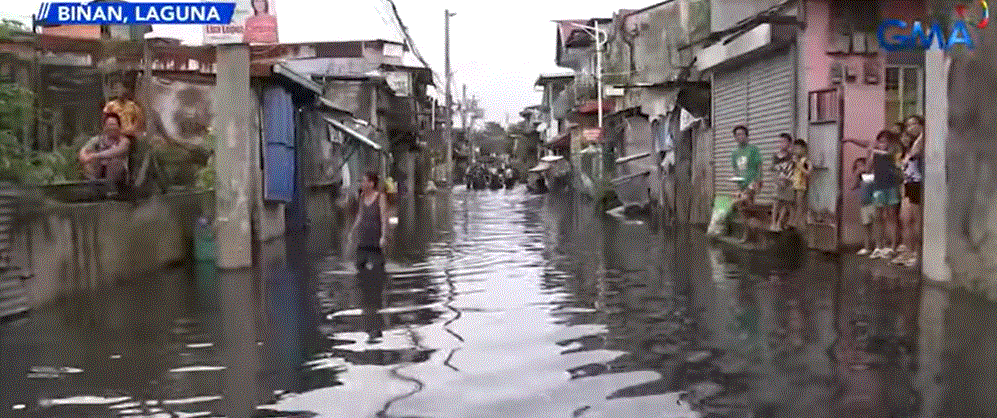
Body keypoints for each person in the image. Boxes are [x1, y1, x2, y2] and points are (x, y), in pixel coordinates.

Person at [350, 172, 389, 341]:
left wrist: (384, 236)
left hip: (375, 238)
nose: (362, 183)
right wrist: (352, 230)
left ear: (372, 183)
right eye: (362, 181)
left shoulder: (380, 197)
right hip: (363, 238)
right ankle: (365, 287)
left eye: (365, 181)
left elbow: (384, 217)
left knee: (379, 269)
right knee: (359, 267)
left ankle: (377, 291)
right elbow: (360, 215)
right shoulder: (361, 197)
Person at [867, 130, 903, 260]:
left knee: (891, 216)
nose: (882, 144)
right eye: (880, 141)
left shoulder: (895, 153)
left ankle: (893, 247)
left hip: (892, 187)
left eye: (885, 141)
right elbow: (868, 169)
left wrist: (878, 152)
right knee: (878, 216)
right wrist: (871, 154)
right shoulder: (875, 154)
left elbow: (898, 164)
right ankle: (878, 246)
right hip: (879, 187)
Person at [894, 115, 924, 267]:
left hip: (917, 184)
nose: (910, 128)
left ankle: (917, 253)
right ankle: (908, 250)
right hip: (908, 185)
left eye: (913, 124)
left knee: (916, 220)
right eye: (907, 126)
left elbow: (917, 150)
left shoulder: (920, 142)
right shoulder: (905, 150)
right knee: (904, 219)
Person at [79, 113, 131, 196]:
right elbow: (84, 150)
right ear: (104, 127)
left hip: (118, 180)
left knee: (114, 162)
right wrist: (85, 158)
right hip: (99, 174)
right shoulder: (98, 139)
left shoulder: (124, 141)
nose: (111, 127)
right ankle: (93, 191)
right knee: (89, 164)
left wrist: (95, 155)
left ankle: (112, 193)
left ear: (119, 126)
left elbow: (116, 151)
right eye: (109, 125)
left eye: (113, 124)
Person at [730, 125, 762, 242]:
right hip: (741, 184)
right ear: (735, 137)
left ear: (747, 136)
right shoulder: (734, 153)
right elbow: (735, 170)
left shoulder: (753, 149)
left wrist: (758, 181)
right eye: (737, 135)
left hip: (751, 183)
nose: (740, 136)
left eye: (742, 134)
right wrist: (736, 185)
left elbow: (759, 166)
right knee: (744, 210)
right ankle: (750, 233)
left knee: (745, 203)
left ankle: (750, 234)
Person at [771, 133, 795, 231]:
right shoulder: (775, 156)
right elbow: (773, 170)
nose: (782, 144)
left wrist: (788, 179)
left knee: (785, 203)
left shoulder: (792, 156)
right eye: (780, 142)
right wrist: (777, 180)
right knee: (776, 203)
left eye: (784, 142)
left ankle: (779, 222)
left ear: (789, 144)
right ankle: (772, 223)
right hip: (778, 182)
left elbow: (793, 170)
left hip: (788, 183)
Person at [852, 157, 876, 255]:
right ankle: (867, 247)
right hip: (864, 204)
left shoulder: (872, 175)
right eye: (857, 166)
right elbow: (853, 187)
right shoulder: (860, 178)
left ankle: (879, 246)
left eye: (862, 165)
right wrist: (856, 175)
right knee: (866, 226)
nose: (860, 168)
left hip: (874, 203)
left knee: (878, 225)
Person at [791, 139, 813, 228]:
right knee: (793, 204)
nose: (796, 151)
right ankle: (794, 221)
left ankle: (796, 222)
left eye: (798, 148)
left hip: (801, 185)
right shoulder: (795, 159)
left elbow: (809, 173)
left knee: (799, 204)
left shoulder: (806, 160)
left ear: (804, 149)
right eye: (795, 148)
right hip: (794, 184)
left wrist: (798, 164)